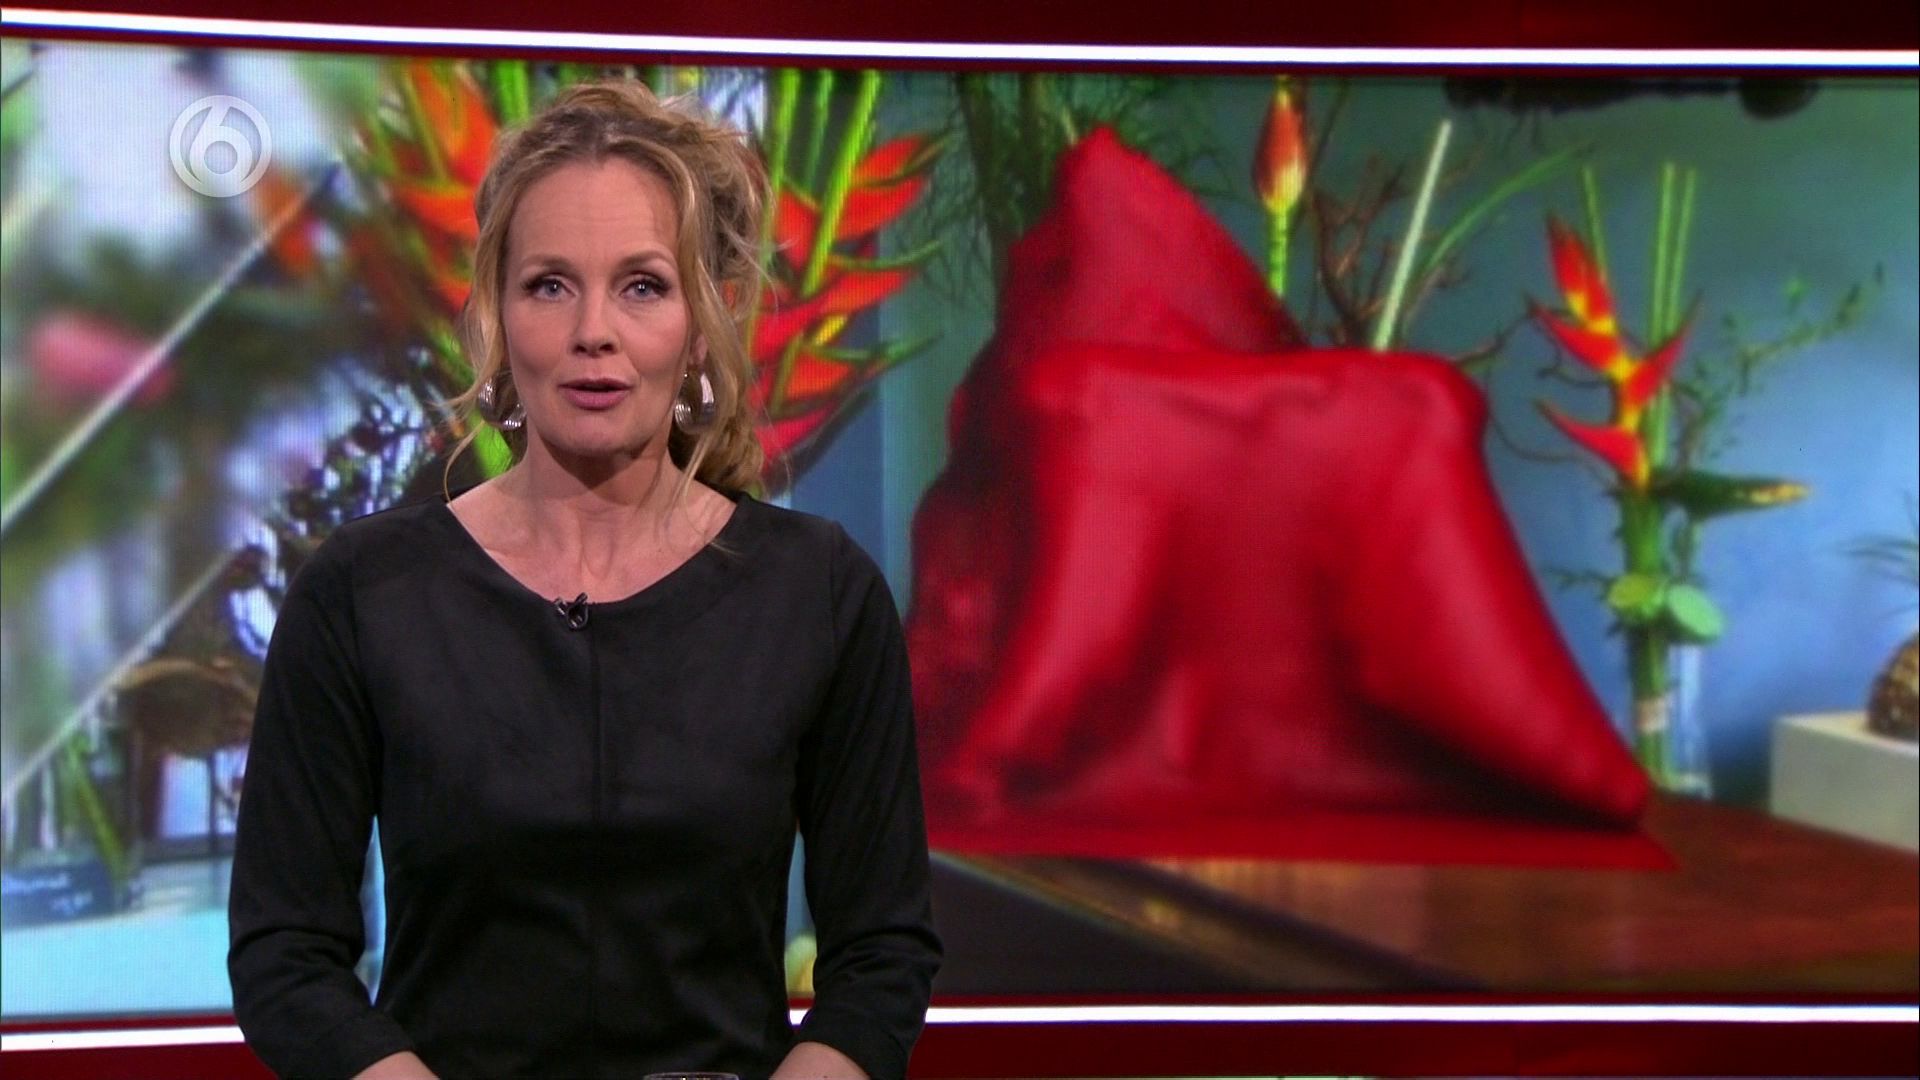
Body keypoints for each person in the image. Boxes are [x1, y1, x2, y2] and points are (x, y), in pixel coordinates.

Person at [228, 78, 941, 1079]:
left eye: (642, 285)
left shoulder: (819, 593)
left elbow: (881, 953)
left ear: (704, 318)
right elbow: (286, 955)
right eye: (550, 285)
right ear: (495, 314)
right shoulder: (363, 594)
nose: (592, 331)